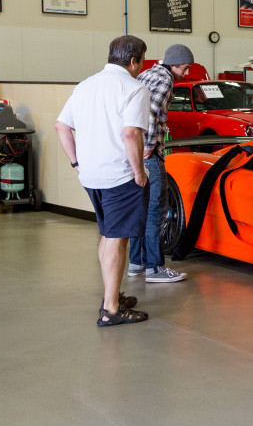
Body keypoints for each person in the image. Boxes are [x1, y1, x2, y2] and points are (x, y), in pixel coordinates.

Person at [55, 35, 151, 326]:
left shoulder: (85, 86)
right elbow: (132, 134)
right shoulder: (134, 88)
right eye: (142, 61)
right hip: (120, 175)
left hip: (91, 175)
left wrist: (76, 163)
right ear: (133, 61)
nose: (141, 66)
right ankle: (111, 309)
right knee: (116, 238)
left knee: (108, 234)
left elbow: (62, 126)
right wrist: (139, 172)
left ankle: (112, 294)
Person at [128, 44, 194, 284]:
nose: (186, 74)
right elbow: (151, 112)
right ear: (173, 63)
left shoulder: (146, 73)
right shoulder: (165, 79)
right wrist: (147, 146)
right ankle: (155, 268)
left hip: (133, 150)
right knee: (157, 208)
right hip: (150, 153)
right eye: (185, 68)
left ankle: (137, 262)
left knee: (141, 207)